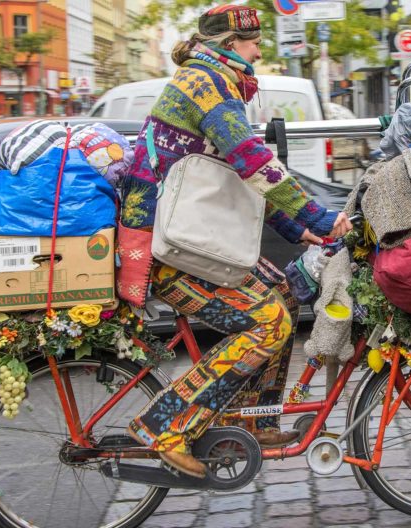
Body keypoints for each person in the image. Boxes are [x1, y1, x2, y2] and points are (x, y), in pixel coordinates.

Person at [121, 4, 352, 478]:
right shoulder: (204, 84)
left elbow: (234, 175)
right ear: (229, 45)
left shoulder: (213, 80)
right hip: (164, 245)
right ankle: (163, 425)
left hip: (186, 234)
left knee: (284, 295)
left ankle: (255, 418)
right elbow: (249, 159)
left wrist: (295, 228)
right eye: (252, 44)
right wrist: (317, 216)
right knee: (266, 323)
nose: (258, 52)